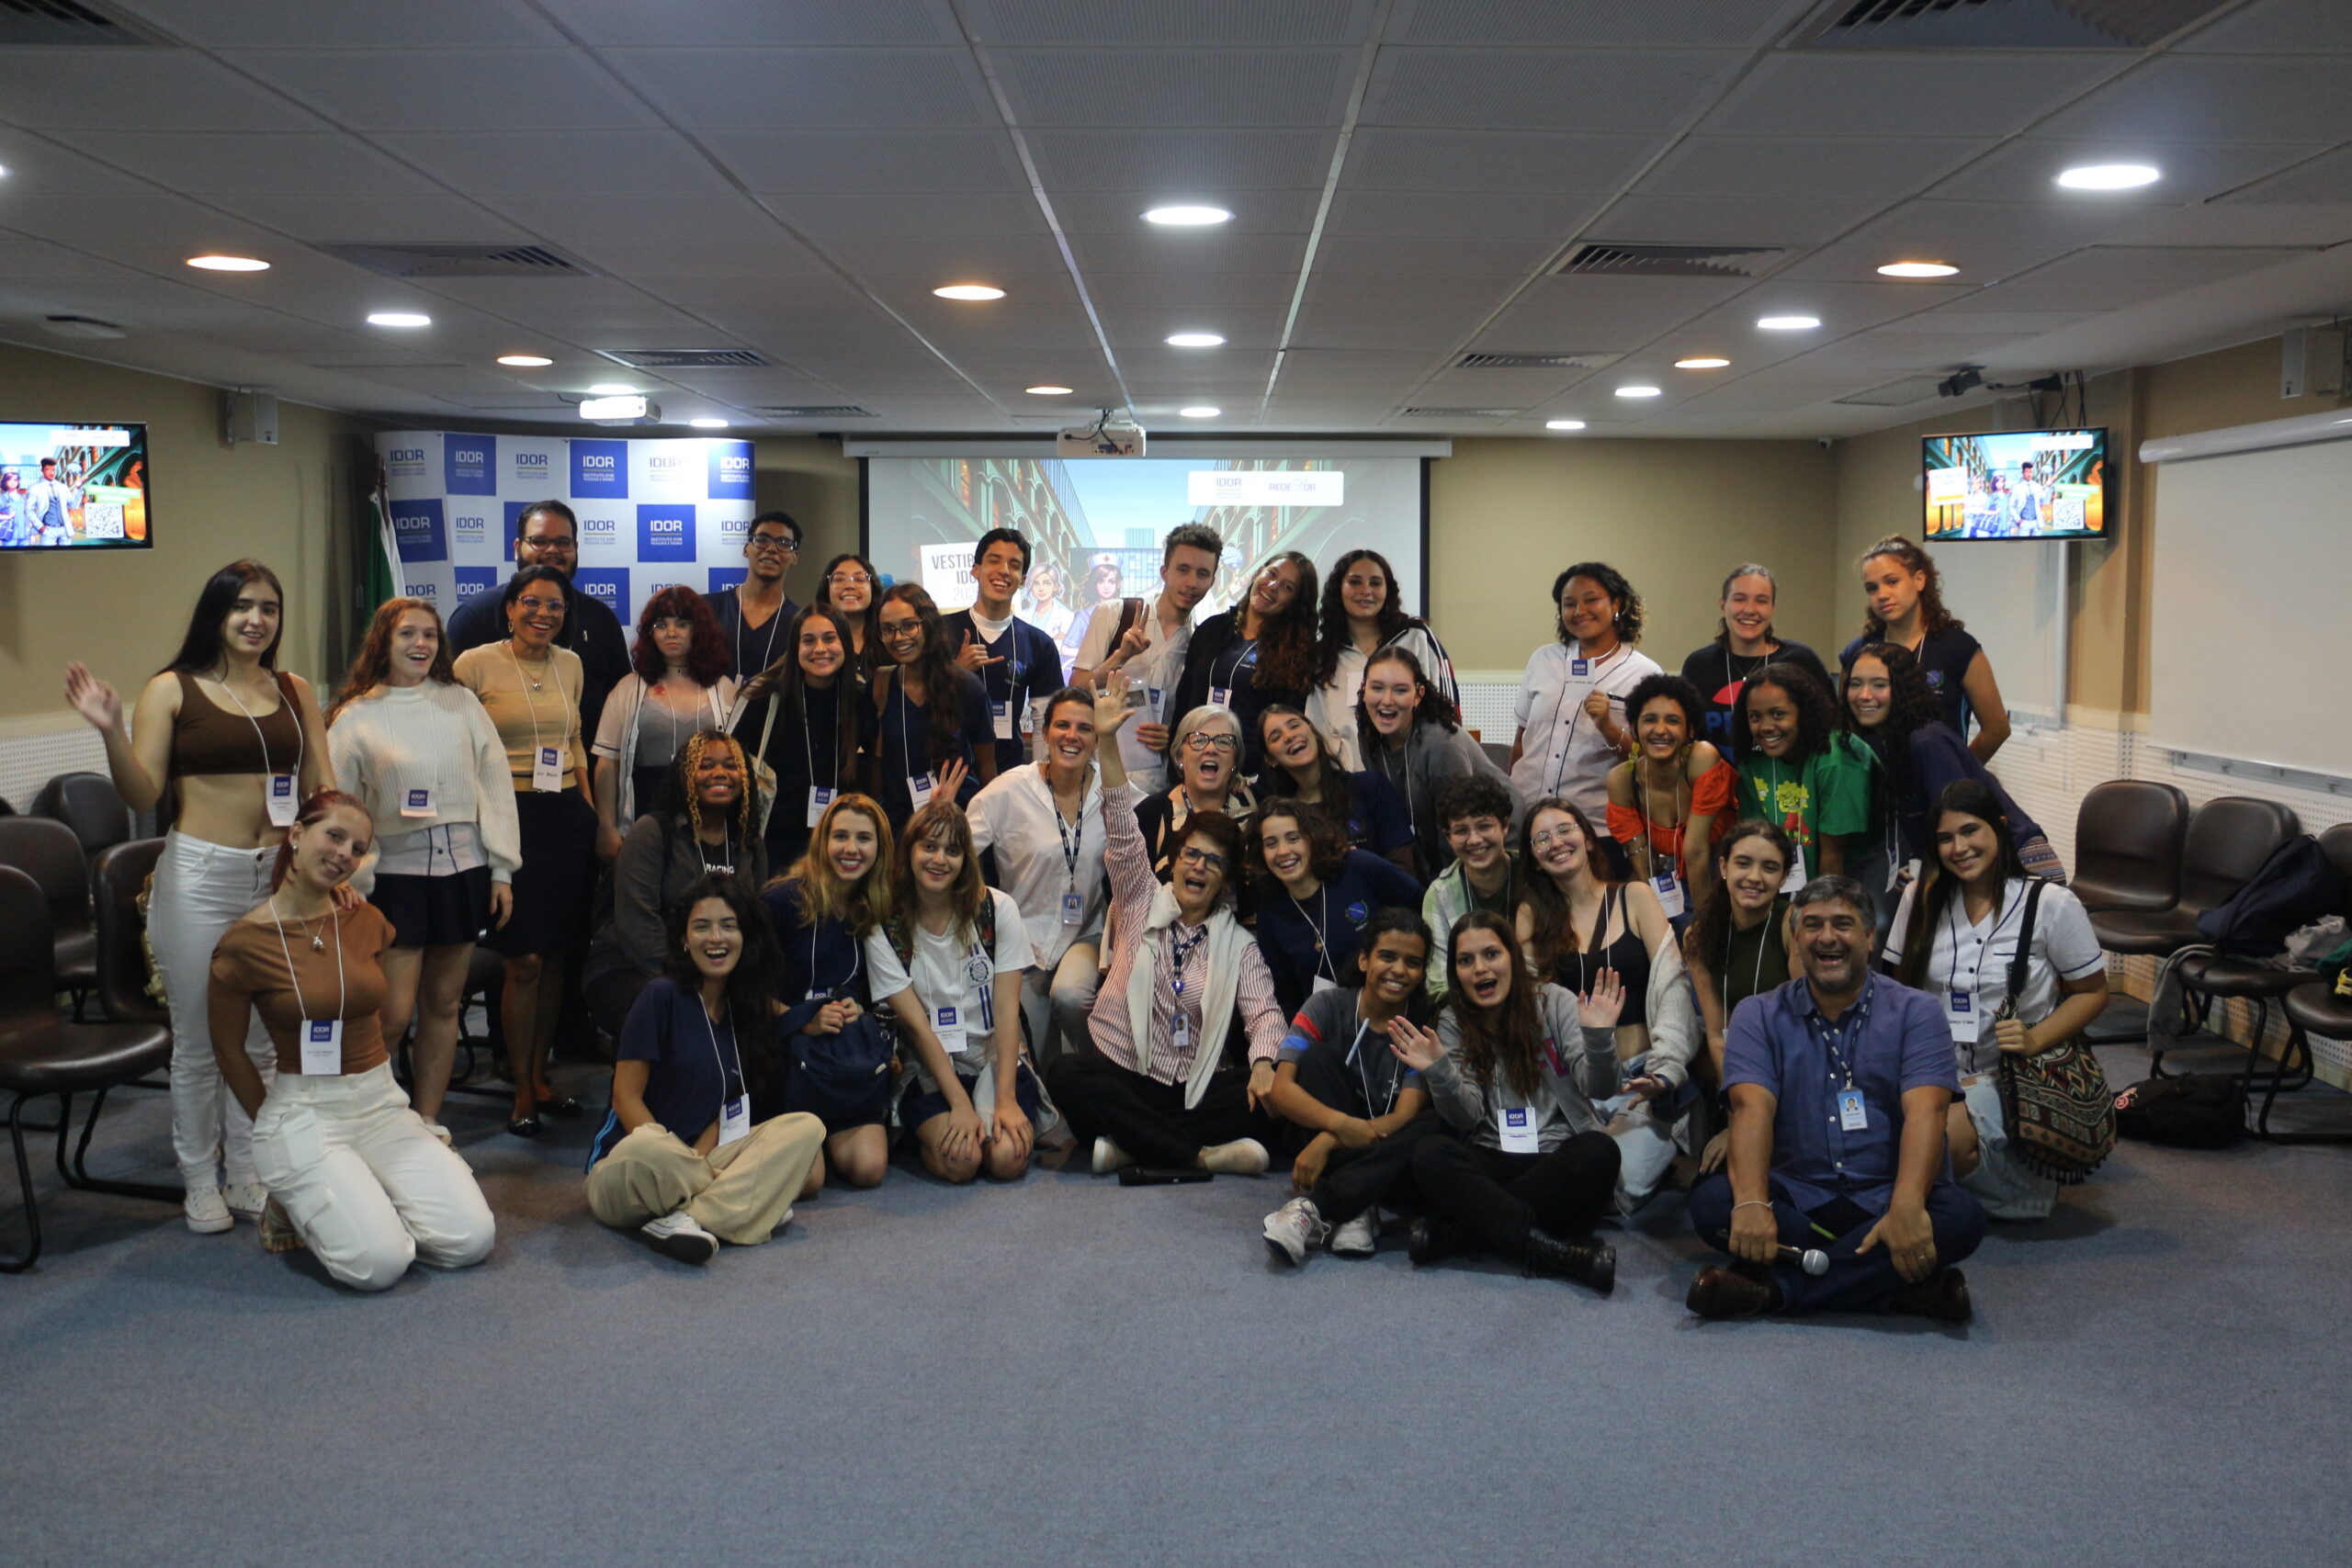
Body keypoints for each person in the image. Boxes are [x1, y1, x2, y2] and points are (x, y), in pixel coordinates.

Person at [64, 559, 335, 1233]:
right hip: (199, 875)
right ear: (216, 612)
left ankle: (248, 1171)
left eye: (269, 607)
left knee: (261, 1038)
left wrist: (335, 867)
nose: (256, 619)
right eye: (242, 605)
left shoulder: (296, 690)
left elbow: (321, 788)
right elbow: (142, 794)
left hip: (276, 874)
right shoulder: (172, 688)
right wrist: (108, 730)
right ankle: (197, 1179)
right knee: (197, 1040)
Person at [205, 790, 494, 1288]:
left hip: (380, 1103)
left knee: (471, 1241)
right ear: (296, 835)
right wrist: (270, 1125)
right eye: (334, 836)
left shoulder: (367, 920)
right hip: (305, 1113)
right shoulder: (243, 944)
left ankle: (358, 1187)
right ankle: (297, 1195)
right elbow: (228, 1050)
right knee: (377, 1267)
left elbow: (377, 1014)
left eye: (357, 848)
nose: (344, 854)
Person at [1686, 875, 1986, 1321]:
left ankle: (1772, 1289)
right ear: (1796, 940)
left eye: (1843, 924)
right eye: (1812, 925)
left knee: (1961, 1216)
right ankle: (1896, 1290)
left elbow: (1928, 1112)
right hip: (1795, 1197)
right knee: (1714, 1204)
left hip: (1888, 1193)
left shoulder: (1917, 1012)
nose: (1827, 937)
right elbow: (1751, 1109)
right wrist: (1750, 1201)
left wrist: (1905, 1208)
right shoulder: (1758, 1015)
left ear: (1869, 937)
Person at [1043, 673, 1286, 1176]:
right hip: (1130, 1071)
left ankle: (1133, 1145)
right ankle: (1197, 1156)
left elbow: (1264, 1014)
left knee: (1270, 1097)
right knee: (1067, 1073)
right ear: (1172, 861)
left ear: (1226, 881)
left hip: (1194, 1080)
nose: (1199, 867)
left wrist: (1263, 1061)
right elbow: (1120, 823)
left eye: (1213, 863)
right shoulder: (1139, 900)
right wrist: (1106, 740)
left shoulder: (1238, 944)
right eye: (1191, 856)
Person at [326, 597, 518, 1135]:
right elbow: (337, 806)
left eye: (430, 635)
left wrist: (501, 870)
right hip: (393, 879)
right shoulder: (356, 715)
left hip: (464, 869)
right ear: (383, 642)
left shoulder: (460, 702)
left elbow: (495, 787)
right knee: (390, 1014)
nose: (420, 645)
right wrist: (352, 880)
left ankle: (427, 1119)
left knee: (444, 1003)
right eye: (408, 634)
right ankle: (374, 1125)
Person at [1884, 782, 2107, 1222]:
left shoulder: (2050, 904)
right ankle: (1950, 1190)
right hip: (1931, 1067)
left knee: (1936, 1136)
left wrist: (2034, 1037)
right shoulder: (1921, 897)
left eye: (1971, 831)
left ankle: (1981, 1187)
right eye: (1945, 838)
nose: (1959, 848)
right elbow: (1897, 991)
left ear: (2000, 829)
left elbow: (2094, 992)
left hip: (2008, 1075)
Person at [584, 876, 828, 1265]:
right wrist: (685, 1161)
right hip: (633, 1165)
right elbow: (624, 1097)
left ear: (744, 936)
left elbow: (724, 1117)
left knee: (806, 1129)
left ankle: (687, 1217)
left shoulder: (744, 1011)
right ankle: (740, 1204)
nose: (716, 938)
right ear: (684, 938)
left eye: (728, 926)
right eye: (702, 927)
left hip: (696, 1163)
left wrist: (696, 1163)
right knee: (650, 1145)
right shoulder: (659, 996)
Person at [1385, 910, 1620, 1291]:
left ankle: (1467, 1231)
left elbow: (1600, 1087)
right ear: (1456, 971)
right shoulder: (1452, 1020)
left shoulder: (1555, 1002)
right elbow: (1466, 1118)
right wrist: (1441, 1074)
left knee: (1601, 1151)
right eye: (1466, 960)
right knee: (1430, 1154)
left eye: (1491, 954)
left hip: (1556, 1159)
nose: (1480, 969)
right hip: (1493, 1156)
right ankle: (1553, 1251)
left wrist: (1598, 1039)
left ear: (1512, 956)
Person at [451, 565, 597, 1137]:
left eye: (555, 606)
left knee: (558, 954)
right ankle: (518, 1086)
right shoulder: (475, 664)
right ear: (509, 608)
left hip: (564, 817)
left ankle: (541, 1075)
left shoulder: (572, 665)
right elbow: (460, 747)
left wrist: (588, 812)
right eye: (531, 603)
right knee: (524, 959)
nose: (544, 614)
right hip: (506, 816)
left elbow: (575, 741)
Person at [1515, 796, 1702, 1213]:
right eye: (1541, 838)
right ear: (1532, 855)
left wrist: (1667, 1069)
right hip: (1572, 1084)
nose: (1555, 842)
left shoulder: (1633, 896)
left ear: (1587, 836)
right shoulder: (1530, 914)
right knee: (1541, 1163)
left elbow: (1672, 984)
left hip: (1639, 1085)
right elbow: (1526, 1007)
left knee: (1616, 1185)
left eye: (1564, 830)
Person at [866, 801, 1046, 1183]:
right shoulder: (885, 924)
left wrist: (1006, 1099)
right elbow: (915, 1027)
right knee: (961, 1162)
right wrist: (960, 1104)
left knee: (1006, 1159)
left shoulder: (997, 909)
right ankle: (929, 1131)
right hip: (929, 1062)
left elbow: (1007, 1010)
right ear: (910, 850)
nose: (939, 859)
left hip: (992, 1054)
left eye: (952, 850)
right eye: (928, 847)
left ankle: (982, 1120)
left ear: (967, 858)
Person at [1259, 909, 1443, 1266]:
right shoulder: (1327, 1005)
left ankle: (1327, 1206)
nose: (1399, 970)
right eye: (1387, 956)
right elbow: (1281, 1090)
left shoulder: (1424, 1023)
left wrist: (1332, 1138)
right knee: (1316, 1059)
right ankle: (1358, 1205)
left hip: (1387, 1146)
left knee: (1434, 1123)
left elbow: (1405, 1115)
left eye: (1413, 962)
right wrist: (1342, 1126)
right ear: (1364, 959)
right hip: (1339, 1132)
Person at [1843, 642, 2064, 917]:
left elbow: (1963, 829)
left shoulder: (1926, 742)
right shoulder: (1894, 741)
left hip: (2017, 867)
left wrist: (1930, 877)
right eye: (1855, 684)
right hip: (1982, 867)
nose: (1864, 695)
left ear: (1902, 689)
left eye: (1878, 685)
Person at [583, 729, 767, 1052]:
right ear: (685, 775)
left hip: (717, 967)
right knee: (669, 1017)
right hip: (635, 965)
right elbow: (637, 927)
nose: (720, 774)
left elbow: (756, 921)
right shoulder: (653, 832)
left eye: (730, 765)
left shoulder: (748, 841)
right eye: (706, 765)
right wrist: (694, 986)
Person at [762, 793, 895, 1188]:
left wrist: (860, 1009)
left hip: (842, 1058)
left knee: (869, 1170)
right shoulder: (782, 899)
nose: (851, 849)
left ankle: (825, 1130)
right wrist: (802, 1020)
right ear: (822, 841)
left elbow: (881, 991)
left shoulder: (874, 904)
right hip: (786, 1053)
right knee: (808, 1183)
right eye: (840, 837)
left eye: (864, 839)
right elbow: (743, 991)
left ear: (879, 847)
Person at [967, 687, 1106, 1063]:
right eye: (1062, 725)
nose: (1071, 736)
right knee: (1030, 1056)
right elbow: (956, 846)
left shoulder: (1112, 792)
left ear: (1097, 739)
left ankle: (1099, 1076)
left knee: (1070, 995)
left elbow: (1161, 811)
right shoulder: (1012, 789)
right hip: (1022, 942)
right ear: (1044, 733)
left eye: (1084, 728)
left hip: (1085, 934)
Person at [1510, 562, 1662, 877]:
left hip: (1595, 831)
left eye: (1591, 600)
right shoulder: (1543, 660)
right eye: (1569, 604)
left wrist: (1607, 727)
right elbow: (1523, 737)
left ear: (1616, 604)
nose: (1580, 610)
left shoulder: (1644, 675)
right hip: (1528, 820)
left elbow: (1652, 761)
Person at [445, 499, 630, 743]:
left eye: (563, 542)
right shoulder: (475, 616)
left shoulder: (601, 618)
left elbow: (621, 705)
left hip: (578, 773)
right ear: (517, 547)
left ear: (575, 548)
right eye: (540, 541)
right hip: (496, 775)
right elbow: (448, 715)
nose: (552, 550)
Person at [1073, 523, 1223, 795]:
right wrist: (1120, 657)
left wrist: (1174, 739)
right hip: (1097, 776)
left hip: (1156, 787)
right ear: (1164, 571)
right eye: (1183, 570)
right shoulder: (1115, 614)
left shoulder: (1200, 642)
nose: (1191, 583)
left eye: (1203, 574)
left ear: (1212, 581)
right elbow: (1075, 689)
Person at [1248, 797, 1423, 1023]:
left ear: (1312, 838)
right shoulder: (1270, 912)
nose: (1283, 851)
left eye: (1293, 839)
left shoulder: (1358, 866)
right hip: (1329, 1029)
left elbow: (1422, 906)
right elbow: (1285, 995)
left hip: (1399, 1012)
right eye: (1271, 843)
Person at [592, 585, 739, 852]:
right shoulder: (628, 688)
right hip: (644, 819)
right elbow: (607, 764)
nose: (671, 632)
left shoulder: (724, 688)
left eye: (682, 624)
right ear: (650, 634)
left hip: (711, 821)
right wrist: (607, 827)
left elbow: (739, 765)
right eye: (661, 624)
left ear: (700, 630)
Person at [1843, 535, 2008, 761]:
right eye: (1872, 588)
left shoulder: (1958, 648)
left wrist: (1958, 773)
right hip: (1874, 788)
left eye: (1892, 582)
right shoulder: (1858, 653)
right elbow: (1847, 727)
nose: (1882, 595)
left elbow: (1997, 729)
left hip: (1937, 790)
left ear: (1919, 580)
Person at [1354, 646, 1512, 876]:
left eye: (1400, 690)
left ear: (1418, 695)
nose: (1386, 701)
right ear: (1363, 689)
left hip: (1495, 847)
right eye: (1377, 688)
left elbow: (1460, 832)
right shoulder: (1370, 735)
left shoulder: (1441, 746)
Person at [1166, 551, 1318, 780]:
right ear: (1258, 573)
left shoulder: (1295, 654)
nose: (1274, 586)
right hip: (1191, 766)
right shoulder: (1211, 629)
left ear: (1295, 603)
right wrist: (1174, 760)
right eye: (1271, 574)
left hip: (1248, 779)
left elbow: (1284, 725)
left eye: (1287, 587)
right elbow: (1184, 701)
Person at [1306, 548, 1458, 769]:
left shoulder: (1416, 638)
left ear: (1388, 590)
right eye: (1355, 582)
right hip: (1347, 784)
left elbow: (1446, 710)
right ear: (1339, 589)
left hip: (1413, 774)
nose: (1366, 591)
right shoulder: (1323, 655)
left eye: (1376, 583)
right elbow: (1316, 725)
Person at [1603, 673, 1736, 921]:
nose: (1660, 730)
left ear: (1690, 730)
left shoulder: (1701, 757)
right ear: (1634, 728)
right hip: (1669, 878)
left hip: (1724, 869)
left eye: (1673, 721)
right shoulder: (1622, 780)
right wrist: (1657, 925)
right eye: (1649, 720)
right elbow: (1644, 866)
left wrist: (1702, 927)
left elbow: (1695, 850)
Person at [739, 604, 859, 875]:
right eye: (808, 640)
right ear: (794, 647)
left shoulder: (859, 696)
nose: (820, 649)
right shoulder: (766, 696)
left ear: (845, 643)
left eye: (829, 638)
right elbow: (732, 757)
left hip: (842, 843)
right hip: (774, 844)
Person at [1684, 819, 1799, 1100]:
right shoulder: (1698, 935)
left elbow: (1806, 1026)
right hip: (1740, 1074)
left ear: (1783, 877)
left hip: (1795, 1068)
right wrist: (1736, 1109)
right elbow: (1716, 1035)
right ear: (1723, 867)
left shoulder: (1793, 923)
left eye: (1769, 868)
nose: (1754, 877)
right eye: (1743, 863)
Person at [864, 582, 994, 829]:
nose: (898, 637)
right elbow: (875, 765)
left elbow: (987, 766)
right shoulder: (880, 685)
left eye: (909, 626)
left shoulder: (967, 688)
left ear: (929, 624)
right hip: (897, 829)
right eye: (888, 629)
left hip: (956, 827)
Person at [1730, 662, 1872, 886]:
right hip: (1786, 878)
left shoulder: (1835, 757)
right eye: (1755, 717)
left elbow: (1833, 856)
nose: (1766, 727)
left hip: (1853, 872)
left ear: (1803, 714)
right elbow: (1756, 841)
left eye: (1778, 714)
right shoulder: (1752, 762)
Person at [1678, 564, 1834, 764]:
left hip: (1790, 785)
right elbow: (1687, 737)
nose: (1750, 610)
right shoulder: (1698, 665)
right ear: (1723, 604)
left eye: (1761, 601)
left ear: (1773, 607)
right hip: (1718, 787)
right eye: (1739, 599)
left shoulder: (1801, 660)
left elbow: (1829, 731)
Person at [942, 527, 1067, 778]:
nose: (1003, 571)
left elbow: (1046, 720)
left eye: (1014, 565)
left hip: (1010, 774)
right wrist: (956, 675)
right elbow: (915, 706)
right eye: (994, 561)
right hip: (947, 774)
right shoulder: (939, 631)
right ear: (975, 569)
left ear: (1022, 579)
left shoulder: (1039, 643)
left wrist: (1044, 780)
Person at [1258, 705, 1416, 873]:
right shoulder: (1282, 818)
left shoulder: (1369, 787)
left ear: (1312, 729)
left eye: (1294, 725)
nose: (1289, 736)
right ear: (1270, 759)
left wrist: (1361, 865)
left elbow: (1405, 867)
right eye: (1276, 737)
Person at [1132, 705, 1257, 882]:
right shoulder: (1151, 812)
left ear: (1235, 760)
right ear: (1179, 756)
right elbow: (1120, 885)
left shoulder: (1256, 804)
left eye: (1223, 741)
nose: (1211, 749)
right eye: (1198, 740)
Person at [1421, 773, 1519, 999]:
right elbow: (1439, 984)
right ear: (1448, 837)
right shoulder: (1439, 894)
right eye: (1461, 831)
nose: (1474, 840)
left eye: (1484, 826)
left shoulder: (1534, 875)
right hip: (1470, 1012)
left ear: (1505, 826)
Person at [707, 511, 803, 681]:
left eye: (784, 543)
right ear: (746, 549)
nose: (772, 549)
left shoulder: (800, 622)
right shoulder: (706, 608)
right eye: (762, 539)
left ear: (794, 557)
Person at [812, 552, 886, 681]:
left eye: (860, 579)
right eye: (839, 579)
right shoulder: (813, 639)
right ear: (826, 588)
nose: (850, 586)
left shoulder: (888, 639)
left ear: (873, 588)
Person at [1018, 558, 1077, 678]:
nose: (1041, 588)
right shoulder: (1021, 616)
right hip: (1024, 675)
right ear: (1030, 586)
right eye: (1036, 583)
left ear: (1055, 586)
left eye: (1046, 583)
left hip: (1053, 676)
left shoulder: (1067, 617)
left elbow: (1070, 651)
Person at [26, 456, 82, 547]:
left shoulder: (62, 487)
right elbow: (28, 510)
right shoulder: (35, 488)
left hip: (64, 529)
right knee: (47, 558)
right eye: (48, 469)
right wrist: (40, 527)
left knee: (67, 558)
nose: (52, 472)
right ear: (42, 470)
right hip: (48, 529)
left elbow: (74, 505)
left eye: (54, 470)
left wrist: (78, 489)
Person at [0, 468, 25, 548]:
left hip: (25, 536)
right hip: (9, 536)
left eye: (15, 479)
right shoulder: (2, 497)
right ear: (5, 482)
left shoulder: (23, 497)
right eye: (9, 480)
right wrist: (8, 516)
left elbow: (28, 516)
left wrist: (31, 534)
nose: (13, 482)